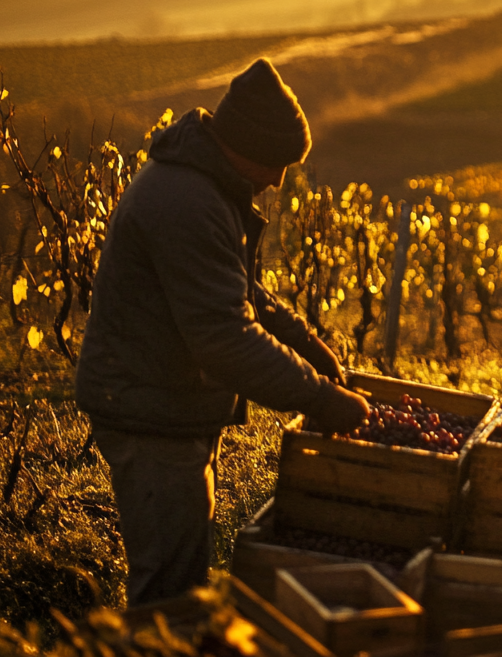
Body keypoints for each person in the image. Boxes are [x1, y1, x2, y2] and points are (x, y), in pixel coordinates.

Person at [76, 58, 371, 606]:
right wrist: (317, 397)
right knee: (168, 593)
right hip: (149, 410)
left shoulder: (205, 186)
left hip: (167, 402)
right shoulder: (186, 201)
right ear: (247, 145)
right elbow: (222, 336)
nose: (278, 181)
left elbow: (239, 292)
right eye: (276, 163)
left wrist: (308, 345)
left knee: (182, 574)